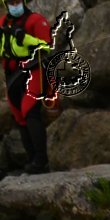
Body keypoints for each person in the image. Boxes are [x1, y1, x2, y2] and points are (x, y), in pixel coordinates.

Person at [2, 0, 51, 174]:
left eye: (17, 1)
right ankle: (31, 160)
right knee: (19, 116)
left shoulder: (36, 20)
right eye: (11, 2)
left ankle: (41, 161)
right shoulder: (3, 23)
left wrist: (24, 36)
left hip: (32, 71)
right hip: (11, 75)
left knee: (30, 112)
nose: (15, 5)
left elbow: (46, 47)